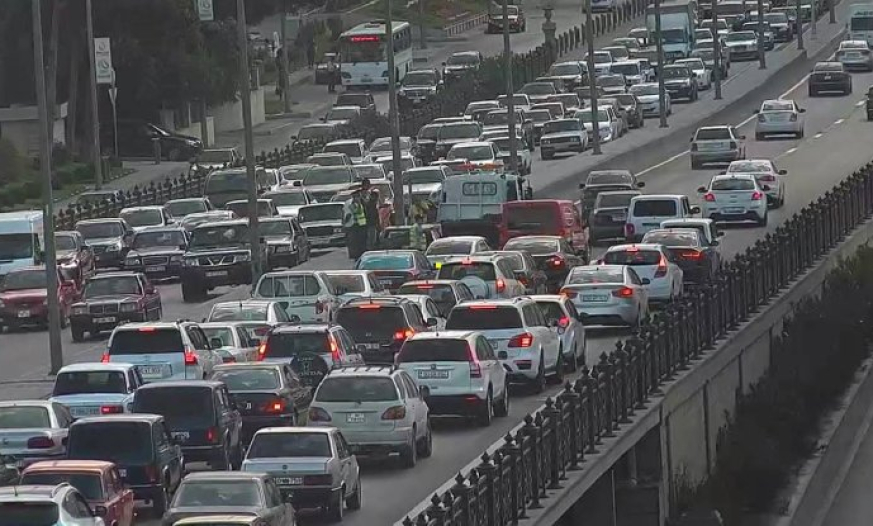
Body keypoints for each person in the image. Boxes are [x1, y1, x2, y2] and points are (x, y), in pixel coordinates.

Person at [343, 189, 367, 259]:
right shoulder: (351, 204)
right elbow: (348, 214)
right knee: (353, 241)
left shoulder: (360, 203)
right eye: (357, 196)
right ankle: (355, 254)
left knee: (361, 241)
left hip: (361, 225)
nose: (358, 197)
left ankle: (360, 254)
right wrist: (344, 224)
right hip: (353, 225)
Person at [360, 179, 380, 250]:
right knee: (370, 238)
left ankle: (371, 248)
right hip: (366, 222)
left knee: (372, 238)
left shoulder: (370, 194)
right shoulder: (361, 195)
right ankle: (369, 249)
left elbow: (376, 212)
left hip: (371, 222)